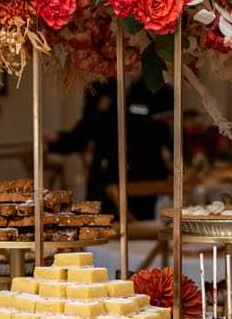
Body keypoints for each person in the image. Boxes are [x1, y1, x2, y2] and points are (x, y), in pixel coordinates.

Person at [48, 79, 173, 220]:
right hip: (105, 175)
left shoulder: (159, 90)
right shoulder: (99, 88)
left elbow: (169, 136)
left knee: (146, 231)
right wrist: (58, 140)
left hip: (146, 177)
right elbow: (86, 130)